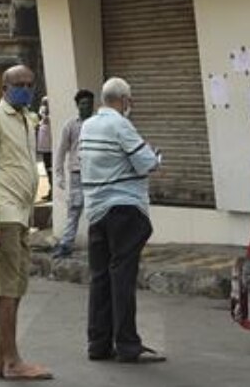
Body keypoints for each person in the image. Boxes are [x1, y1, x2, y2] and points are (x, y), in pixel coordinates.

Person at [79, 78, 165, 363]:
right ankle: (128, 344)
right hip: (124, 211)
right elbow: (146, 163)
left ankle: (98, 344)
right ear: (124, 100)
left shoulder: (88, 125)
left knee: (100, 278)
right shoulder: (120, 125)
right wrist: (156, 157)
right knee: (122, 278)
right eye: (130, 100)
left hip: (95, 211)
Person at [0, 65, 52, 380]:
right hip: (2, 217)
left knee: (15, 288)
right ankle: (13, 361)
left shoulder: (26, 119)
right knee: (7, 290)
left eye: (30, 84)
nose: (25, 88)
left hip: (20, 215)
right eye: (18, 84)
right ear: (4, 87)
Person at [52, 89, 95, 259]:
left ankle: (97, 246)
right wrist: (59, 175)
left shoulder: (98, 124)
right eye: (83, 104)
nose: (87, 107)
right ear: (77, 106)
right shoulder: (71, 126)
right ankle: (66, 245)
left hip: (95, 174)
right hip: (77, 173)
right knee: (74, 209)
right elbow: (61, 151)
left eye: (89, 104)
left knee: (96, 211)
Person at [37, 97, 53, 201]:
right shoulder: (42, 118)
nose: (44, 106)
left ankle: (53, 191)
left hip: (50, 148)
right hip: (44, 148)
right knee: (47, 170)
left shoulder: (51, 117)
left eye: (46, 103)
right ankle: (51, 190)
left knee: (51, 170)